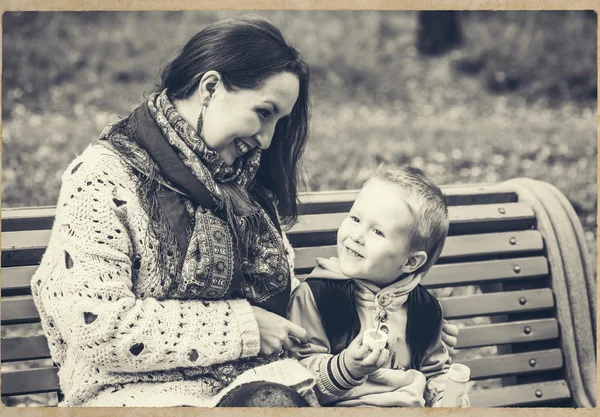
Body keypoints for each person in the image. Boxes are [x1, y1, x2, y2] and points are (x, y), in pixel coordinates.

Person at [30, 15, 318, 407]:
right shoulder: (104, 177)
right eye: (264, 113)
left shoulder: (242, 184)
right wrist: (242, 326)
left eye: (278, 123)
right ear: (210, 87)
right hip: (133, 395)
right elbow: (97, 324)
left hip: (254, 385)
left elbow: (280, 301)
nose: (267, 141)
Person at [287, 166, 458, 407]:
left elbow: (435, 372)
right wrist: (347, 367)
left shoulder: (426, 309)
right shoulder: (317, 296)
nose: (357, 236)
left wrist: (447, 398)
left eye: (377, 232)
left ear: (410, 261)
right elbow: (297, 379)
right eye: (355, 219)